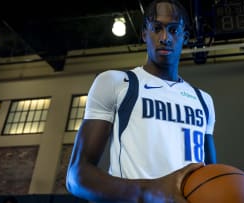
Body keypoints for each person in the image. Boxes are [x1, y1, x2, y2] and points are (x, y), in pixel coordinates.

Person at [65, 0, 217, 202]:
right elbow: (76, 176)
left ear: (185, 37)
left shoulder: (203, 100)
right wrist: (151, 192)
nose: (165, 38)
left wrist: (237, 186)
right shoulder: (116, 82)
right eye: (157, 28)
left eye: (173, 30)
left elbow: (212, 176)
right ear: (144, 34)